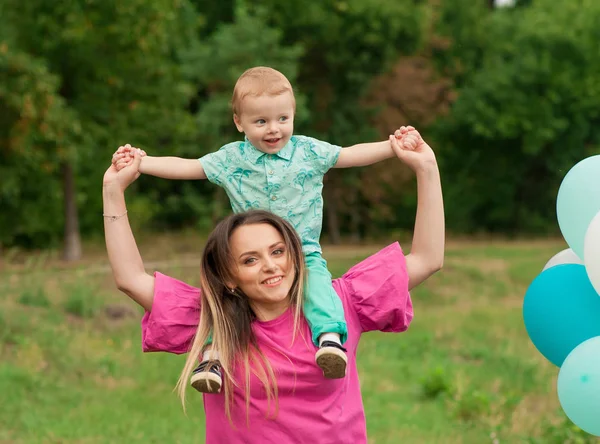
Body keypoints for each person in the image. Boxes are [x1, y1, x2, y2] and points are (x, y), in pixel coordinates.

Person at [103, 129, 444, 443]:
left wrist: (426, 169)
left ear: (295, 254)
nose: (270, 265)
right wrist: (113, 191)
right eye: (250, 259)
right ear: (229, 276)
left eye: (278, 251)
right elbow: (131, 279)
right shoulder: (213, 319)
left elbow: (427, 259)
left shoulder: (340, 301)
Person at [111, 66, 421, 392]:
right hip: (248, 257)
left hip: (302, 250)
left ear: (293, 116)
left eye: (282, 119)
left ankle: (329, 340)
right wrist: (142, 163)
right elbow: (187, 167)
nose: (273, 130)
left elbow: (350, 155)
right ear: (239, 122)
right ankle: (213, 357)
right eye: (261, 122)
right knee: (226, 299)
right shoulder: (231, 160)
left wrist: (391, 146)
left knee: (318, 286)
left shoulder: (308, 151)